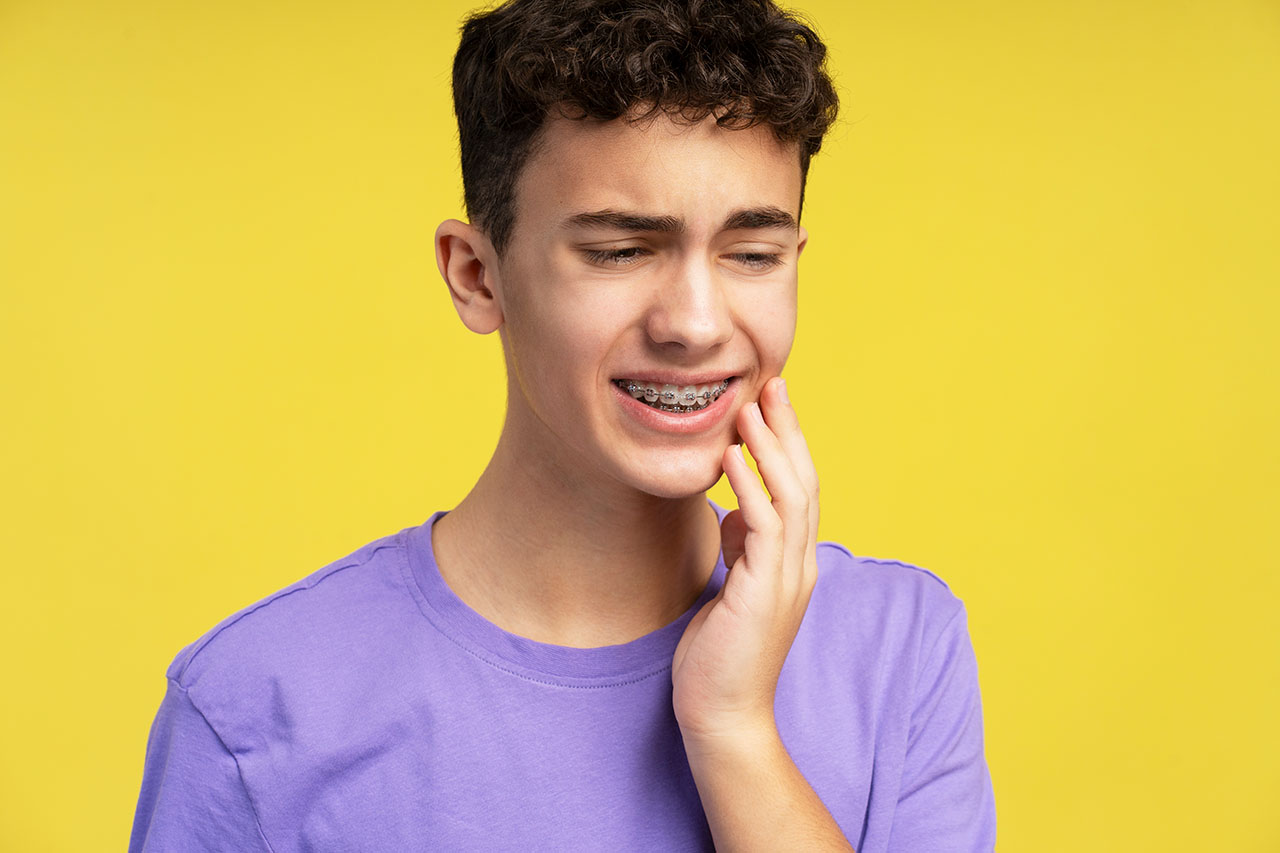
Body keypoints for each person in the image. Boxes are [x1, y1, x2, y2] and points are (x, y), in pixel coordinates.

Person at [129, 0, 997, 849]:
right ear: (477, 275)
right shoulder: (256, 707)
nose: (695, 323)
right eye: (620, 250)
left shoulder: (900, 651)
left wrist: (734, 730)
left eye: (751, 255)